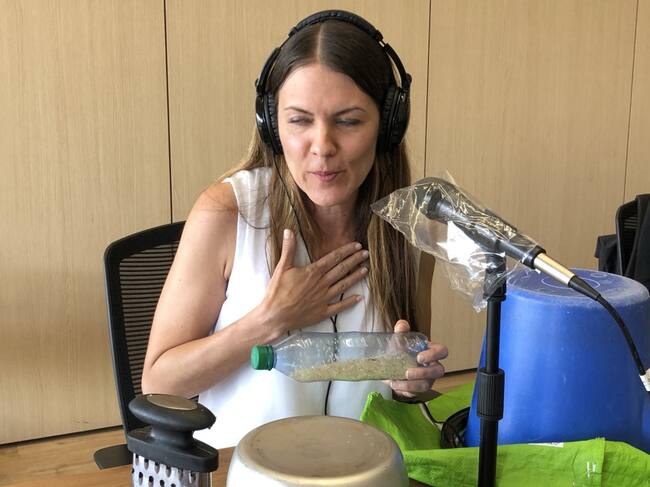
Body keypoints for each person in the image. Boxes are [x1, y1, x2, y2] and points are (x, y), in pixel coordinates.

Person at [141, 10, 448, 449]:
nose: (321, 146)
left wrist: (410, 383)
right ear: (271, 125)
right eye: (299, 120)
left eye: (348, 121)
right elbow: (159, 383)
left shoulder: (410, 229)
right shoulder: (228, 212)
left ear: (388, 126)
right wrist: (270, 320)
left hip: (364, 468)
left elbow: (405, 386)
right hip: (246, 469)